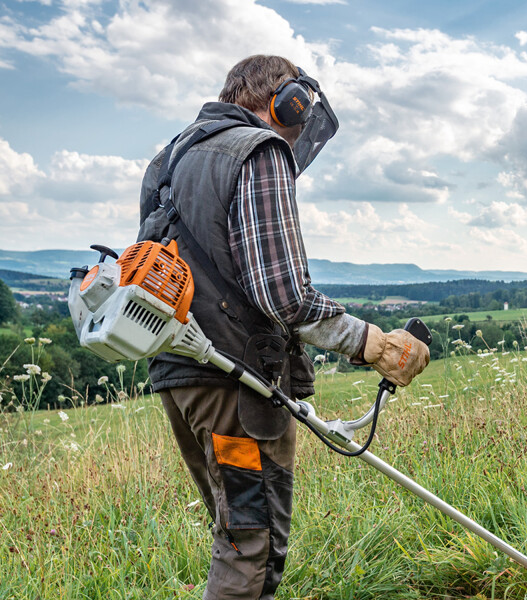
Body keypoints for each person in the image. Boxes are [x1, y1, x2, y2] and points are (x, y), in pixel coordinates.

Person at [137, 55, 429, 600]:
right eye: (299, 119)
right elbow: (284, 295)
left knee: (237, 534)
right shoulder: (258, 149)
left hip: (181, 378)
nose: (297, 139)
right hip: (237, 384)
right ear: (285, 100)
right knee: (253, 547)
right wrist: (372, 343)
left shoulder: (170, 159)